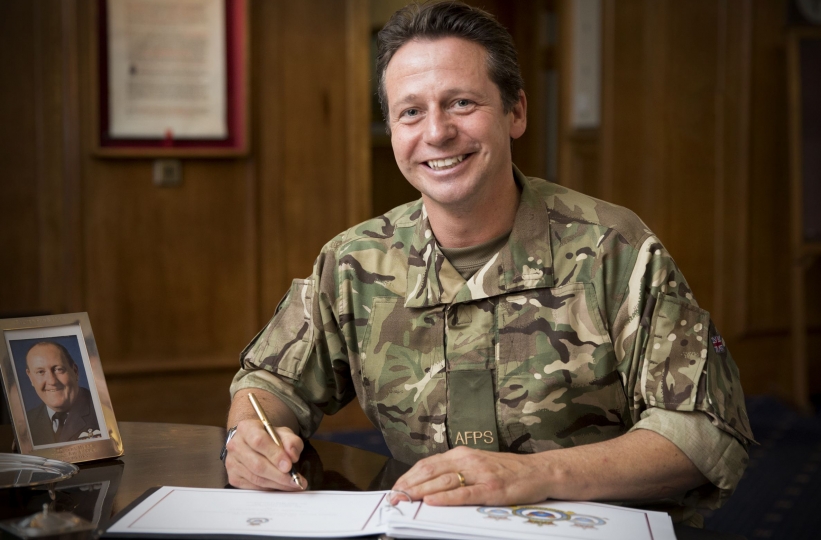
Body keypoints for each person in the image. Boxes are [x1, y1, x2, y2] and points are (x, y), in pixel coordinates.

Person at [224, 1, 754, 525]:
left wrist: (535, 475)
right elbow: (269, 383)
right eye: (411, 111)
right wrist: (249, 438)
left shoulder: (615, 249)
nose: (436, 133)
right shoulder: (353, 261)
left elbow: (706, 431)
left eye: (460, 103)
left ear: (515, 111)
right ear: (393, 132)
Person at [24, 341, 101, 445]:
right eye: (40, 372)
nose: (52, 381)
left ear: (75, 371)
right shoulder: (26, 423)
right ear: (30, 377)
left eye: (58, 369)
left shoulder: (101, 412)